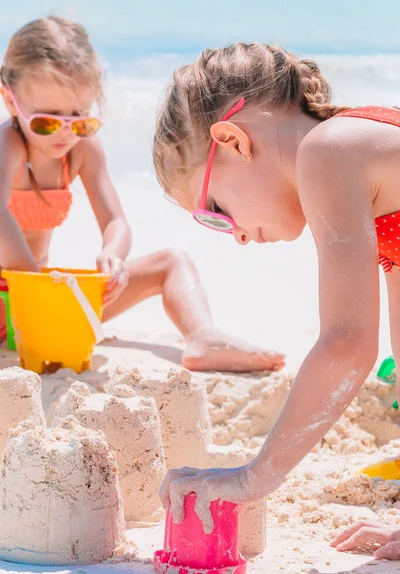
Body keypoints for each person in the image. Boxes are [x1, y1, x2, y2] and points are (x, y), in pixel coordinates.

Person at [154, 42, 400, 532]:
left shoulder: (329, 151)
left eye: (216, 214)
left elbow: (348, 343)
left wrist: (253, 478)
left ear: (233, 141)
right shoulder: (371, 172)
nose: (239, 235)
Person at [0, 19, 285, 373]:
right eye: (47, 121)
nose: (65, 133)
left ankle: (204, 337)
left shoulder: (82, 151)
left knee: (171, 263)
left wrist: (112, 255)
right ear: (10, 100)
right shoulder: (7, 145)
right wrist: (34, 285)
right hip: (20, 296)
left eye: (80, 120)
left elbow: (115, 220)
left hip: (40, 301)